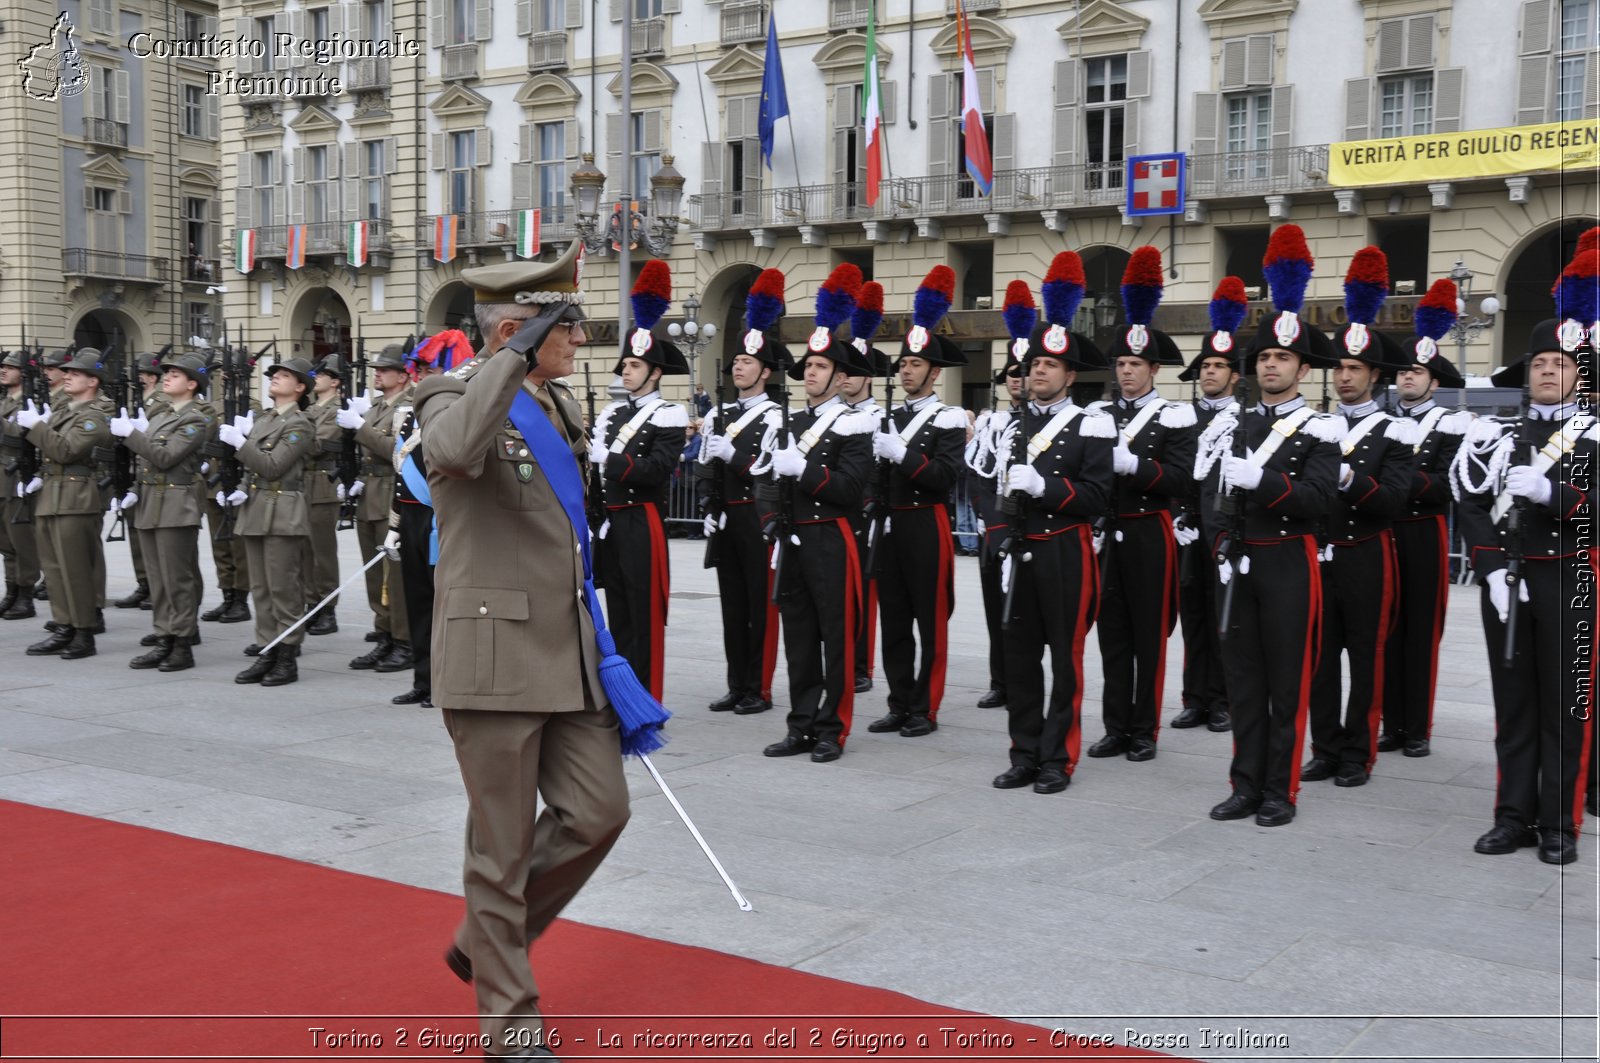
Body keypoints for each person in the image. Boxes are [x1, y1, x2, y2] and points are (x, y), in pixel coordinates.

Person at [416, 240, 630, 1060]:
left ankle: (484, 939)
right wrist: (505, 359)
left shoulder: (560, 407)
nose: (579, 341)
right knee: (499, 849)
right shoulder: (447, 395)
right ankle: (510, 1025)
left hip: (567, 651)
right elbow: (455, 454)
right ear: (517, 330)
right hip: (494, 655)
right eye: (564, 328)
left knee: (600, 811)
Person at [1451, 259, 1598, 866]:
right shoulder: (1499, 435)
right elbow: (1470, 500)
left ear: (1577, 377)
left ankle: (1559, 822)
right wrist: (1486, 567)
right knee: (1513, 704)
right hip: (1506, 580)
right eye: (1539, 364)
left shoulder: (1591, 438)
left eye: (1559, 365)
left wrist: (1552, 494)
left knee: (1564, 706)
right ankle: (1512, 815)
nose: (1546, 372)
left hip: (1566, 576)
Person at [1198, 224, 1343, 827]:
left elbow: (1319, 500)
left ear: (1302, 370)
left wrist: (1266, 485)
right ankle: (1245, 783)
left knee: (1286, 682)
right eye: (1264, 357)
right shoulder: (1232, 424)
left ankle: (1279, 790)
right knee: (1243, 680)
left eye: (1283, 357)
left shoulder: (1321, 429)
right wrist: (1220, 543)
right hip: (1239, 559)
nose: (1271, 365)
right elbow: (1209, 494)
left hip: (1287, 561)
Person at [989, 251, 1115, 793]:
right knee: (1017, 657)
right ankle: (1023, 751)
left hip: (1065, 548)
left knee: (1064, 660)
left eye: (1048, 366)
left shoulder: (1092, 425)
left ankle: (1058, 757)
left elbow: (1098, 496)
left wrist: (1047, 489)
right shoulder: (1012, 426)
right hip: (1020, 548)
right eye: (1033, 364)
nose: (1037, 371)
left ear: (1068, 376)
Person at [1301, 248, 1414, 789]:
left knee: (1366, 659)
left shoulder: (1395, 432)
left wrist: (1349, 480)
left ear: (1374, 374)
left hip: (1368, 553)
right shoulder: (1315, 426)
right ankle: (1324, 747)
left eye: (1355, 369)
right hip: (1319, 553)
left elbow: (1394, 501)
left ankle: (1358, 753)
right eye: (1340, 368)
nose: (1344, 378)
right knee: (1321, 658)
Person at [760, 266, 875, 762]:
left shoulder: (854, 425)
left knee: (836, 636)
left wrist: (804, 470)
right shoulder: (789, 421)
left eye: (821, 366)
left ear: (841, 377)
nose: (810, 371)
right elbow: (766, 478)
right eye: (807, 365)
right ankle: (801, 723)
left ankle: (833, 727)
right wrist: (769, 523)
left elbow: (850, 489)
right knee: (799, 638)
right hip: (793, 538)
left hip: (832, 536)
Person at [1086, 247, 1196, 764]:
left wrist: (1138, 468)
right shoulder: (1098, 413)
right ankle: (1115, 725)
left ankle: (1145, 727)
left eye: (1135, 365)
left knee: (1149, 636)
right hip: (1110, 533)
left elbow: (1182, 479)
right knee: (1112, 635)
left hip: (1151, 531)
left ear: (1154, 368)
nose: (1126, 372)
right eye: (1121, 364)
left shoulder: (1173, 417)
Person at [866, 265, 968, 739]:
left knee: (930, 619)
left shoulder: (946, 419)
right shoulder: (885, 417)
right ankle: (899, 700)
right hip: (890, 526)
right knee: (895, 619)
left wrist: (901, 454)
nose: (905, 370)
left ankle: (926, 706)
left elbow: (944, 478)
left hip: (927, 524)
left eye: (914, 364)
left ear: (934, 371)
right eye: (903, 363)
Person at [1379, 279, 1473, 758]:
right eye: (1403, 373)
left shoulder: (1450, 425)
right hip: (1384, 531)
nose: (1408, 379)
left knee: (1421, 629)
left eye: (1418, 373)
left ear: (1435, 381)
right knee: (1385, 628)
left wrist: (1396, 481)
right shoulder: (1383, 422)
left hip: (1422, 531)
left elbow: (1446, 486)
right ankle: (1389, 722)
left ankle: (1416, 726)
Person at [590, 260, 689, 700]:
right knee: (620, 613)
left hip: (642, 520)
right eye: (625, 364)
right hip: (611, 522)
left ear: (655, 372)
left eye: (633, 365)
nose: (625, 371)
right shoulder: (613, 413)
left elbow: (656, 471)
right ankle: (622, 691)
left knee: (646, 614)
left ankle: (646, 695)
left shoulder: (669, 414)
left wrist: (611, 462)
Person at [697, 269, 785, 716]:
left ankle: (759, 687)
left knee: (760, 606)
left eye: (748, 363)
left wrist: (735, 457)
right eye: (736, 361)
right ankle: (737, 683)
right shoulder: (720, 413)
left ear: (765, 371)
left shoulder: (773, 417)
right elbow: (703, 470)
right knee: (732, 606)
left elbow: (769, 474)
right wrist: (707, 503)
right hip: (727, 517)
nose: (739, 366)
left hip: (756, 518)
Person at [1171, 278, 1247, 732]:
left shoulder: (1247, 419)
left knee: (1226, 619)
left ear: (1235, 375)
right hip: (1189, 528)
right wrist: (1180, 511)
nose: (1210, 373)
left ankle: (1223, 700)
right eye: (1205, 366)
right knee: (1193, 615)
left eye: (1219, 366)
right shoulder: (1185, 417)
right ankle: (1194, 697)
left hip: (1226, 530)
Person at [384, 331, 469, 708]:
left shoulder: (456, 412)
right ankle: (424, 679)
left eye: (428, 368)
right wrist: (394, 525)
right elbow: (401, 471)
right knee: (417, 602)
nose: (418, 374)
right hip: (412, 518)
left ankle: (447, 682)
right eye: (417, 368)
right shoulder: (410, 416)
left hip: (442, 518)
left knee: (443, 607)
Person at [113, 352, 211, 671]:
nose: (166, 377)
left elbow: (165, 457)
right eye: (166, 373)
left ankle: (182, 644)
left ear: (192, 384)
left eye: (175, 374)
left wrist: (131, 435)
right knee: (157, 578)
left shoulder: (195, 418)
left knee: (176, 578)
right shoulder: (160, 415)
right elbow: (146, 461)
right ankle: (163, 637)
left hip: (176, 503)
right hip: (150, 500)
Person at [224, 358, 316, 687]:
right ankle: (267, 648)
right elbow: (253, 470)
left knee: (283, 588)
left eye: (284, 376)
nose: (275, 379)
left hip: (283, 510)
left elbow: (274, 465)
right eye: (274, 375)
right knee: (261, 589)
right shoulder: (265, 419)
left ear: (300, 387)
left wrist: (240, 444)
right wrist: (236, 490)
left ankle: (287, 655)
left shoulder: (300, 424)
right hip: (256, 508)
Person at [18, 348, 113, 659]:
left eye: (75, 373)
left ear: (93, 381)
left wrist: (37, 427)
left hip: (76, 497)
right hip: (52, 494)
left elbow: (66, 450)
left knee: (75, 569)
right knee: (55, 569)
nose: (67, 375)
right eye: (67, 371)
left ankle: (84, 632)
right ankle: (63, 626)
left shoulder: (95, 417)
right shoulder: (64, 411)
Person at [965, 281, 1034, 711]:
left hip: (1037, 534)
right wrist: (995, 523)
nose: (1017, 380)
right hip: (997, 532)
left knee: (1031, 614)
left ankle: (1027, 680)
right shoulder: (991, 423)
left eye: (1024, 373)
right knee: (996, 609)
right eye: (1011, 374)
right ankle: (1000, 680)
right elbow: (977, 479)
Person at [339, 344, 412, 673]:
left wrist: (360, 428)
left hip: (392, 497)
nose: (378, 374)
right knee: (373, 573)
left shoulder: (408, 407)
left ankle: (403, 640)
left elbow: (398, 451)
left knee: (394, 575)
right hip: (370, 494)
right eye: (377, 370)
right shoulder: (378, 407)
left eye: (385, 370)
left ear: (403, 374)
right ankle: (383, 633)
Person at [841, 292, 891, 697]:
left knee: (866, 593)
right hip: (837, 510)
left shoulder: (879, 417)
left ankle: (862, 664)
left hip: (868, 512)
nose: (846, 378)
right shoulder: (836, 417)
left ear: (868, 377)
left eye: (854, 372)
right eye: (843, 371)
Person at [198, 348, 252, 625]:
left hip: (237, 483)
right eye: (224, 372)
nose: (226, 376)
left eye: (232, 371)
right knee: (220, 545)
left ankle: (241, 599)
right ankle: (227, 595)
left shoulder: (251, 406)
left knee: (238, 546)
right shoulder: (213, 408)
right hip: (214, 485)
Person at [113, 351, 168, 611]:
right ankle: (143, 582)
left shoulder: (161, 403)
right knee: (135, 531)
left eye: (140, 376)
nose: (135, 380)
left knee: (149, 531)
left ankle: (155, 585)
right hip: (133, 472)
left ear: (151, 377)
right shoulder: (131, 402)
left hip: (152, 471)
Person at [301, 354, 346, 636]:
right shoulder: (310, 409)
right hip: (302, 484)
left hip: (322, 484)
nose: (316, 376)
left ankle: (327, 609)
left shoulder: (337, 409)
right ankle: (311, 603)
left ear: (336, 381)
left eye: (323, 373)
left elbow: (318, 445)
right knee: (304, 552)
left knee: (323, 553)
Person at [0, 350, 42, 617]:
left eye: (10, 367)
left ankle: (26, 594)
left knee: (22, 540)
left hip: (18, 476)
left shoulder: (31, 402)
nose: (3, 370)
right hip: (1, 478)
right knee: (5, 540)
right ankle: (11, 589)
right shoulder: (4, 402)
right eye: (2, 366)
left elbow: (18, 436)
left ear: (23, 373)